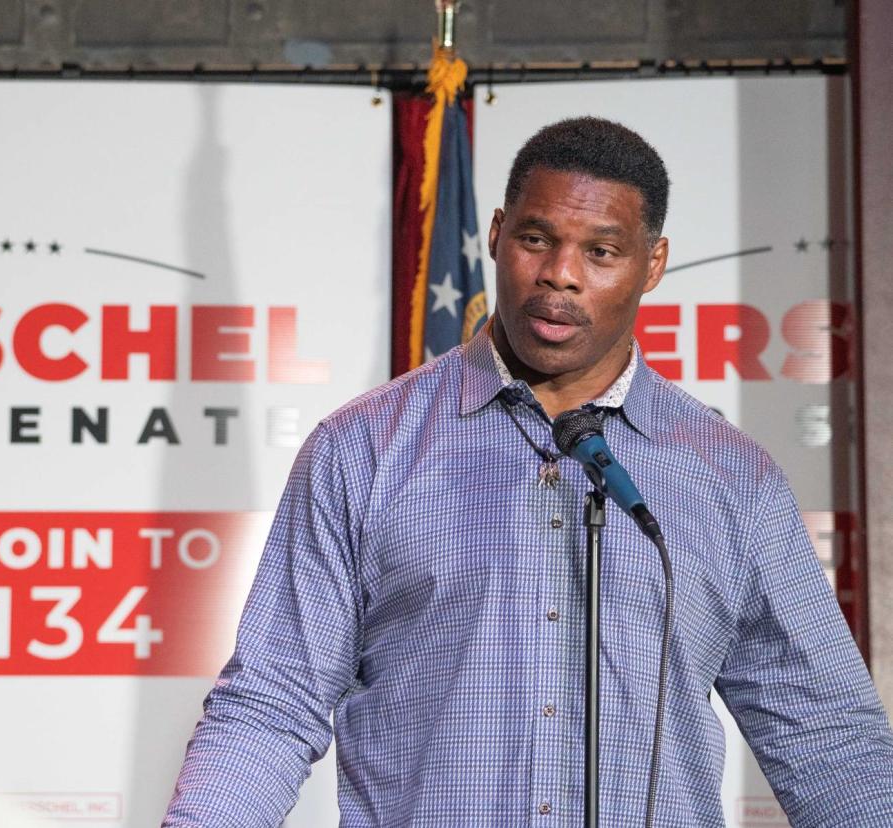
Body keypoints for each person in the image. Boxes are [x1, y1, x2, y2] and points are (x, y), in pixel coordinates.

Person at [162, 117, 893, 826]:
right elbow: (271, 702)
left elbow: (824, 734)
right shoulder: (361, 450)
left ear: (654, 264)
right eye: (536, 239)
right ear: (497, 233)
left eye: (601, 253)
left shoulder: (731, 478)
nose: (560, 276)